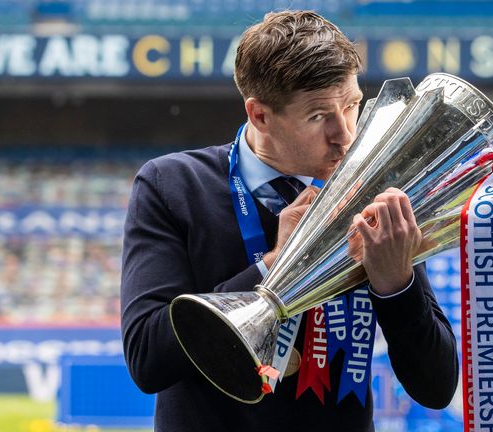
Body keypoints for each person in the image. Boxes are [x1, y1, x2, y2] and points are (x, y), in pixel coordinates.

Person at [121, 10, 458, 432]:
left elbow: (436, 386)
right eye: (319, 116)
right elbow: (146, 358)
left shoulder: (374, 189)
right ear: (259, 114)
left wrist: (396, 285)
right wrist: (274, 267)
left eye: (352, 106)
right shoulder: (172, 185)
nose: (346, 135)